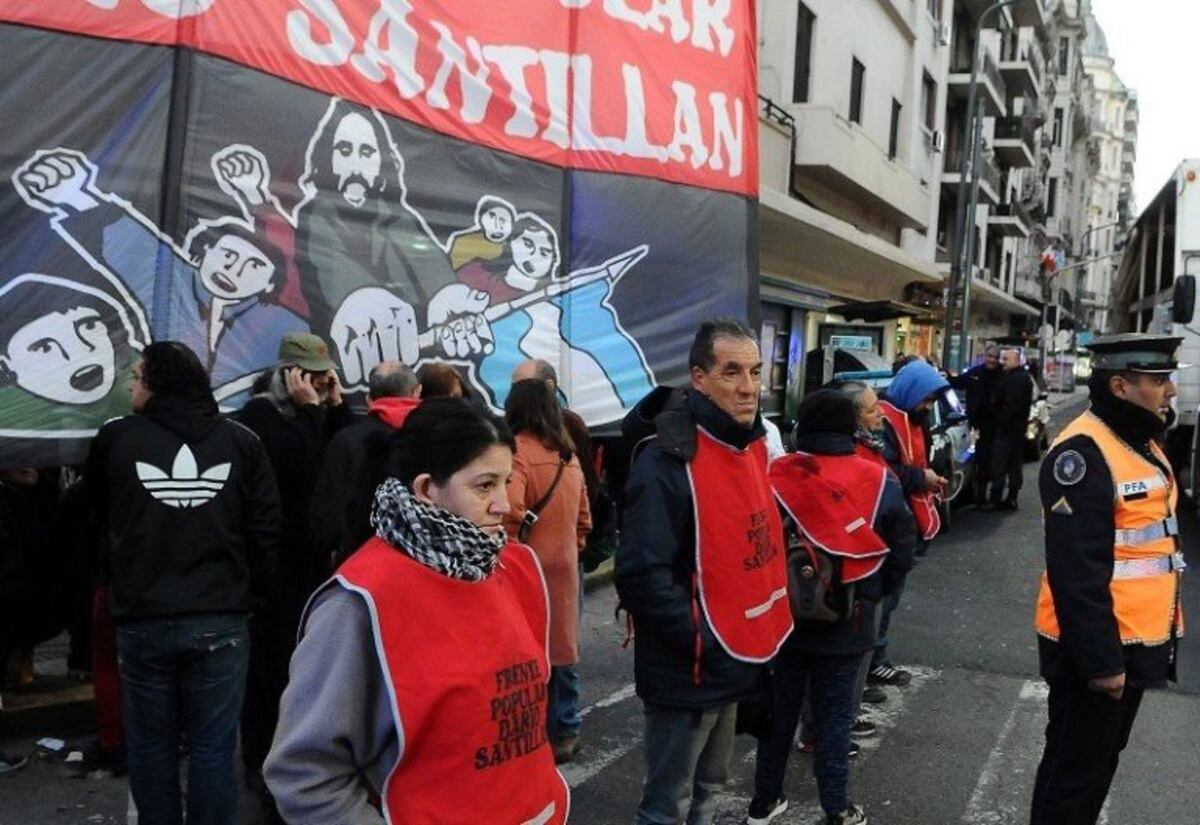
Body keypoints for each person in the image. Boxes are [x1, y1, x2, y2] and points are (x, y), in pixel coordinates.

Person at [264, 398, 569, 824]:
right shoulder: (358, 602)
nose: (506, 504)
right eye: (485, 486)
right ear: (426, 490)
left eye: (506, 481)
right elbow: (304, 774)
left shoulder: (515, 567)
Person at [82, 341, 280, 825]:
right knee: (214, 746)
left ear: (156, 382)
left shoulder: (116, 440)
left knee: (150, 745)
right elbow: (267, 531)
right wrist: (249, 595)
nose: (131, 384)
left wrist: (115, 579)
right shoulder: (241, 441)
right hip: (220, 617)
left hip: (142, 617)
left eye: (137, 375)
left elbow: (89, 523)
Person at [615, 319, 793, 825]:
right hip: (691, 665)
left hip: (734, 657)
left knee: (710, 790)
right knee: (667, 804)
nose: (749, 387)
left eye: (756, 371)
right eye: (731, 371)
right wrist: (704, 639)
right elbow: (641, 574)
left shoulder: (750, 444)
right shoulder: (667, 461)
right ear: (699, 378)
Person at [1030, 333, 1187, 825]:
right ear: (1120, 386)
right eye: (1158, 381)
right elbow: (1077, 571)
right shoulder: (1082, 453)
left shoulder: (1138, 441)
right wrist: (1101, 663)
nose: (1171, 391)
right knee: (1073, 777)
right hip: (1096, 650)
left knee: (1097, 768)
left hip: (1133, 640)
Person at [749, 389, 916, 825]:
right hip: (851, 620)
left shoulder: (777, 473)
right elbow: (902, 547)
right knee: (836, 719)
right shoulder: (879, 479)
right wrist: (876, 592)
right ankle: (837, 808)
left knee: (779, 713)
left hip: (783, 618)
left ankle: (764, 802)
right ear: (850, 427)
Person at [234, 332, 356, 812]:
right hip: (277, 565)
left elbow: (347, 454)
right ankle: (262, 762)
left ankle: (300, 756)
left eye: (327, 376)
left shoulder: (319, 414)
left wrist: (335, 406)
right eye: (313, 377)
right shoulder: (260, 418)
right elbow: (310, 469)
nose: (322, 385)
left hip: (314, 563)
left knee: (308, 668)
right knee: (272, 670)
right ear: (290, 375)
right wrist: (310, 411)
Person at [504, 378, 592, 763]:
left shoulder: (516, 454)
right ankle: (567, 729)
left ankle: (534, 733)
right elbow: (585, 517)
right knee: (563, 652)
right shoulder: (567, 456)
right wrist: (572, 546)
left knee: (529, 653)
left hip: (528, 570)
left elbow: (508, 508)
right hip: (565, 568)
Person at [868, 360, 948, 695]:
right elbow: (881, 471)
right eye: (926, 399)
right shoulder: (885, 421)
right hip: (890, 525)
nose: (928, 407)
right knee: (881, 602)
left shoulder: (913, 419)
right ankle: (872, 665)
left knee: (889, 601)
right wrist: (921, 478)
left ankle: (874, 662)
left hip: (907, 522)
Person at [310, 362, 422, 567]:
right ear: (417, 391)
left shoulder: (346, 441)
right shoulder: (436, 436)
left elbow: (325, 514)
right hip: (424, 564)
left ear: (369, 399)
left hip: (361, 564)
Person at [948, 344, 1001, 503]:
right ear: (985, 356)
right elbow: (958, 382)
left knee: (995, 461)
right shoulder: (975, 373)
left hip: (997, 426)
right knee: (980, 459)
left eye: (995, 357)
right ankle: (980, 496)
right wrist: (946, 376)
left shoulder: (1003, 375)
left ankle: (993, 496)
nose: (991, 360)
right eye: (989, 356)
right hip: (977, 426)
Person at [988, 348, 1034, 511]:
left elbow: (1009, 406)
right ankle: (1012, 497)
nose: (1002, 362)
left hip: (1007, 428)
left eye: (1006, 359)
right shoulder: (1025, 378)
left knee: (999, 463)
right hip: (1018, 429)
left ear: (1015, 360)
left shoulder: (1012, 380)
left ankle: (997, 497)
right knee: (1015, 464)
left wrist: (1000, 419)